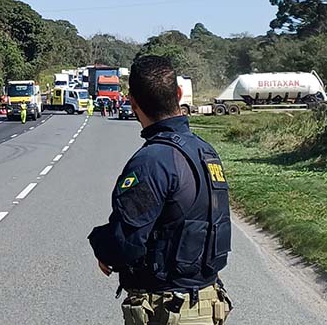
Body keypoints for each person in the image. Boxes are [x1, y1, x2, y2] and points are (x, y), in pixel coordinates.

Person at [88, 55, 233, 324]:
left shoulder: (152, 162)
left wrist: (100, 245)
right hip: (208, 303)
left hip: (169, 311)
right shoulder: (205, 151)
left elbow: (125, 244)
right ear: (178, 94)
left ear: (132, 103)